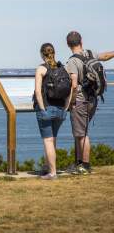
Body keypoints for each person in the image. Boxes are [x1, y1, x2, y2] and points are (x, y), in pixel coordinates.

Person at [66, 31, 114, 174]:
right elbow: (105, 56)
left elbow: (74, 85)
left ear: (68, 45)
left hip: (81, 100)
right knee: (82, 131)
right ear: (81, 41)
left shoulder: (72, 61)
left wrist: (71, 102)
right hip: (93, 98)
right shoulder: (90, 53)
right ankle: (79, 162)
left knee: (82, 134)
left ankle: (85, 165)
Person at [34, 43, 71, 180]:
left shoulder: (41, 69)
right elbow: (70, 89)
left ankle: (53, 173)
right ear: (54, 53)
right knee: (53, 140)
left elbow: (38, 91)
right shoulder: (63, 68)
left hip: (46, 108)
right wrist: (66, 107)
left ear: (42, 54)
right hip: (61, 109)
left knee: (48, 141)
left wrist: (42, 109)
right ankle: (48, 167)